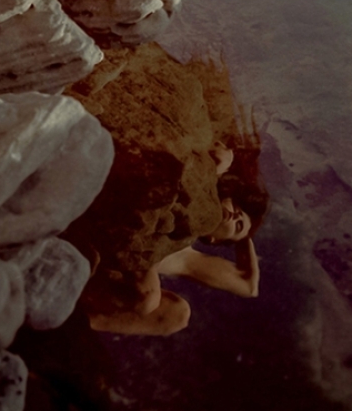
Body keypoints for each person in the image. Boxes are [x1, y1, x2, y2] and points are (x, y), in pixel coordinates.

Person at [82, 143, 269, 337]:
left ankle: (80, 322)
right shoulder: (200, 194)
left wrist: (245, 237)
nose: (235, 216)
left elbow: (249, 286)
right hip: (104, 222)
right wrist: (216, 174)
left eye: (238, 225)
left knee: (176, 314)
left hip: (101, 271)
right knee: (149, 295)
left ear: (214, 240)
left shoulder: (186, 258)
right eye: (238, 210)